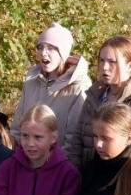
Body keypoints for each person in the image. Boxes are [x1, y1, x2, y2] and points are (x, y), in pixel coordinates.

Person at [15, 22, 91, 166]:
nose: (44, 53)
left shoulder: (78, 88)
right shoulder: (31, 83)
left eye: (51, 48)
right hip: (24, 166)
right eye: (41, 47)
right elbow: (17, 128)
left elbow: (72, 140)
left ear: (62, 52)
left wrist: (56, 171)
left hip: (57, 170)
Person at [75, 35, 131, 163]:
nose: (104, 67)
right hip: (88, 176)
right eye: (102, 60)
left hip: (121, 178)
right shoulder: (93, 96)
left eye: (112, 62)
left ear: (130, 66)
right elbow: (76, 141)